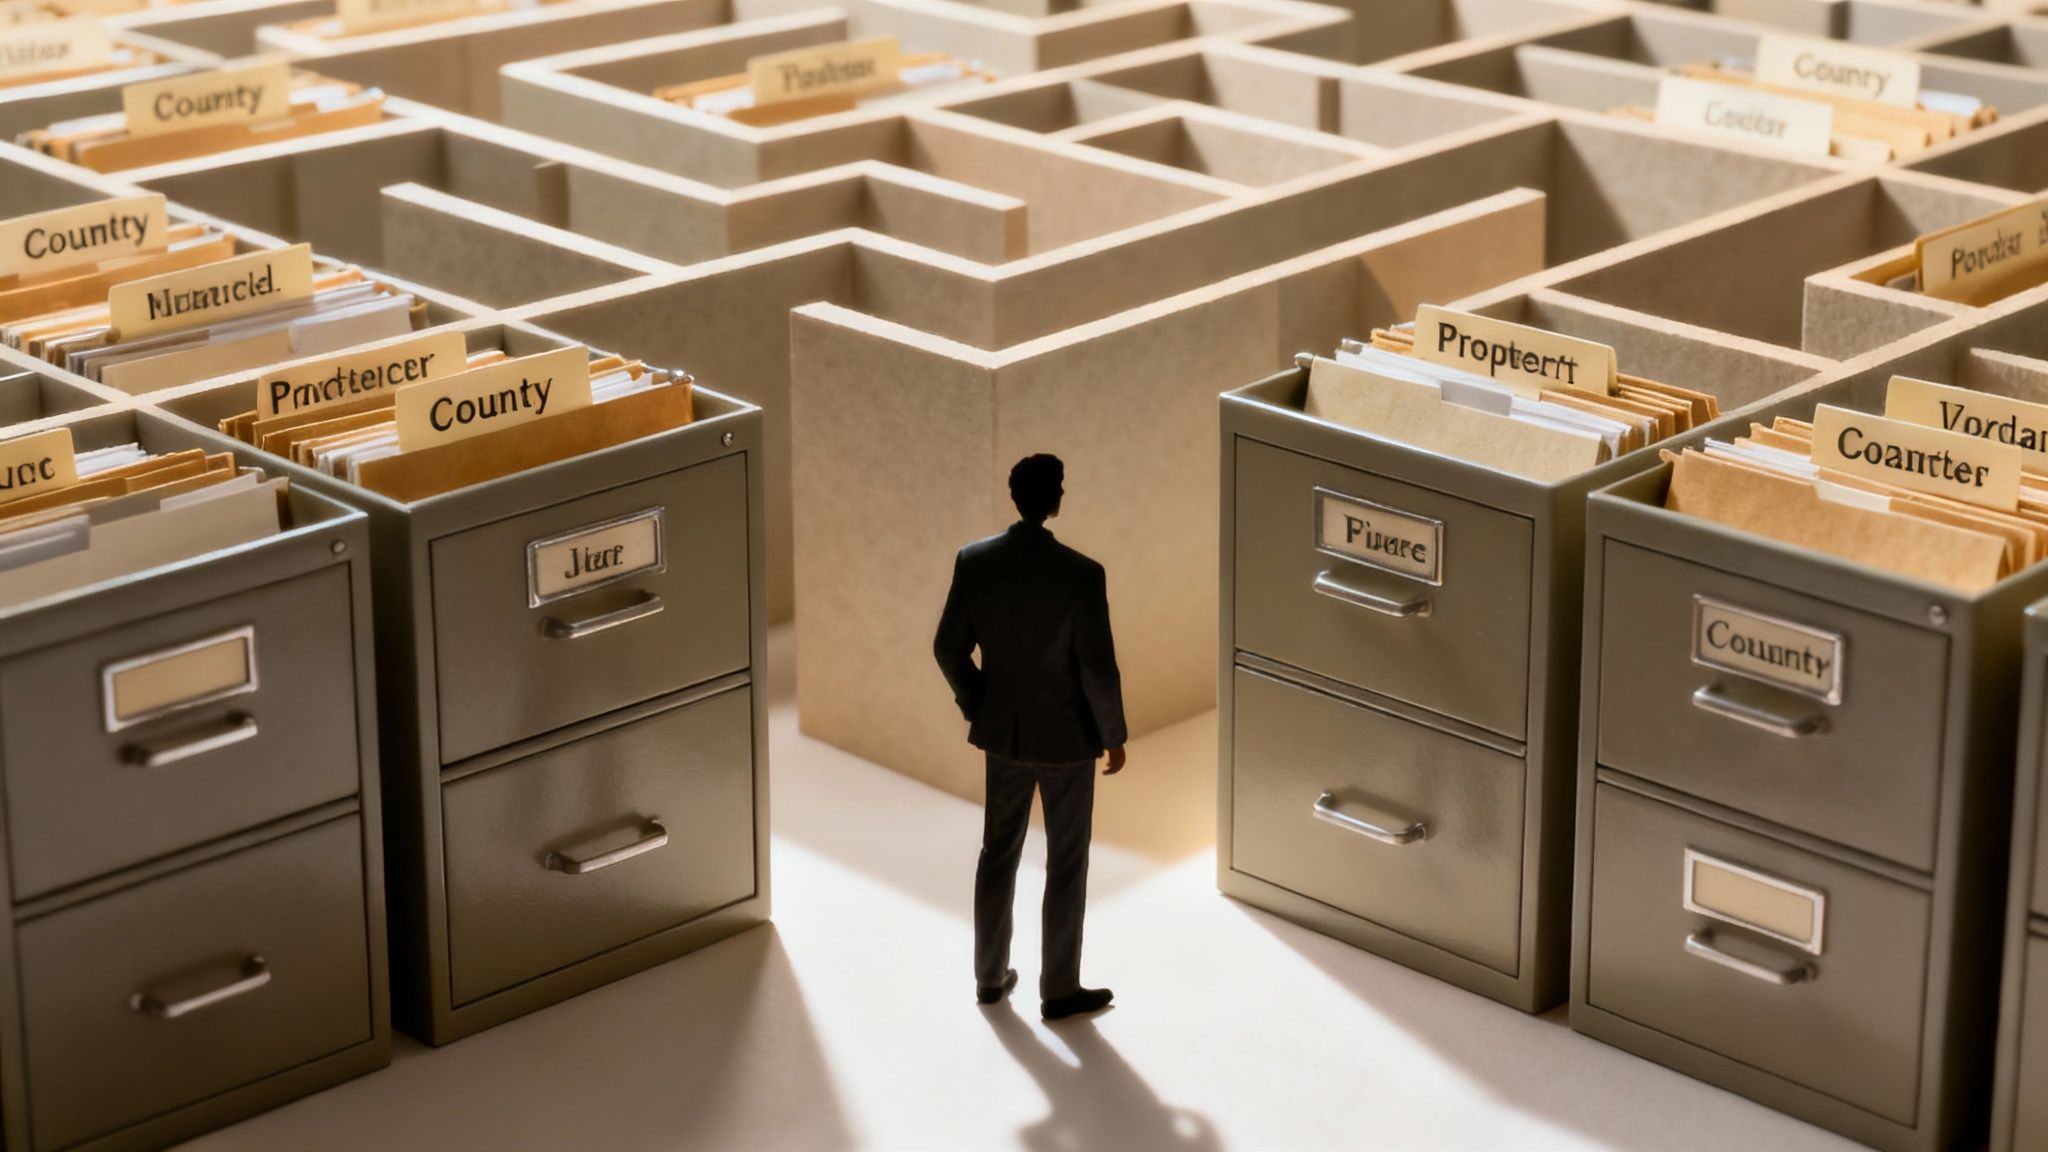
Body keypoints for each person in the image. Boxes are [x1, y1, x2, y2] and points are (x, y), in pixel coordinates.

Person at [933, 453, 1127, 1021]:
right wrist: (1113, 734)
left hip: (1005, 735)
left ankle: (989, 976)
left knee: (998, 853)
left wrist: (981, 704)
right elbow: (1097, 669)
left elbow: (948, 648)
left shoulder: (975, 561)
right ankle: (1059, 988)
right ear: (1054, 498)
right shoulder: (1081, 575)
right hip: (1068, 741)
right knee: (1066, 861)